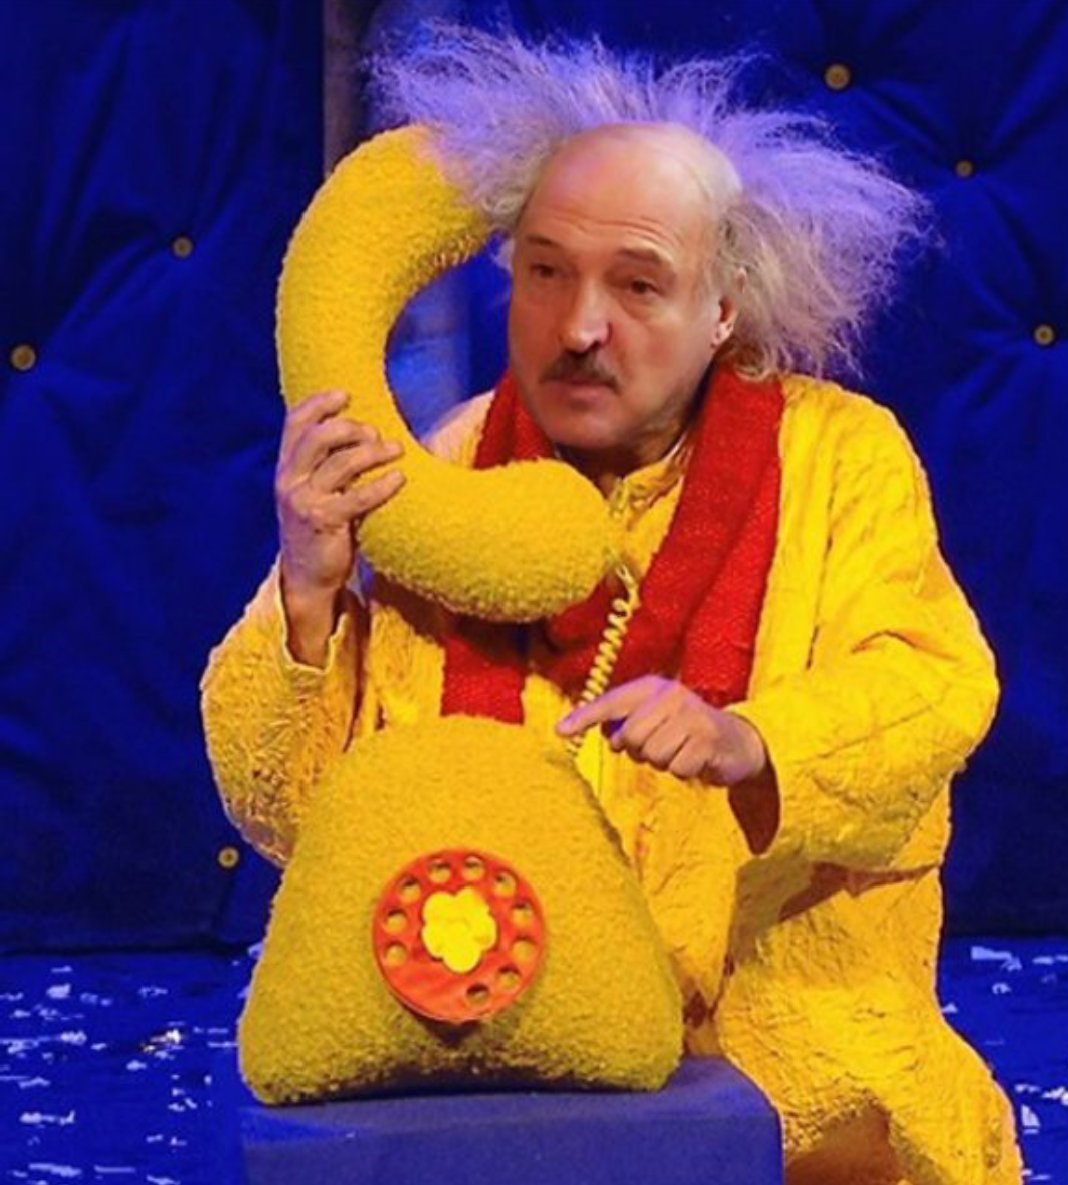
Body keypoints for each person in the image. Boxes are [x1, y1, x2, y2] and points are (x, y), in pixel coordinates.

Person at [201, 29, 1022, 1185]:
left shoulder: (843, 458)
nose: (580, 329)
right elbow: (299, 817)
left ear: (727, 304)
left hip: (784, 1073)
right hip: (497, 1056)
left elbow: (932, 685)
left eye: (638, 285)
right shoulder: (438, 477)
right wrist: (308, 591)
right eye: (546, 273)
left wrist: (753, 740)